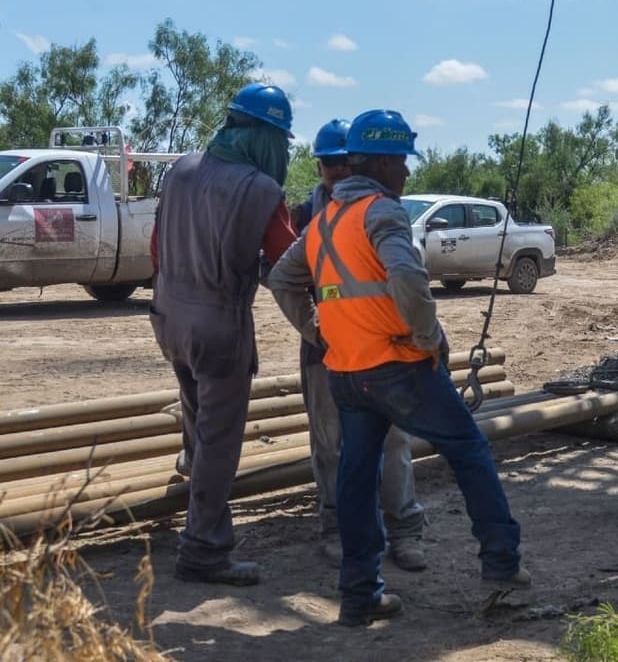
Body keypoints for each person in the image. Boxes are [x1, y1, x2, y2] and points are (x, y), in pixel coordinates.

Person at [267, 109, 529, 626]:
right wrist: (428, 337)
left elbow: (281, 278)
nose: (407, 173)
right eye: (403, 162)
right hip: (399, 366)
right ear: (383, 163)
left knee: (356, 476)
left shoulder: (322, 223)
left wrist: (317, 331)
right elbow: (408, 278)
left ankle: (360, 594)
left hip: (346, 372)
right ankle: (500, 560)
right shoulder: (381, 212)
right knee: (469, 449)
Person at [148, 82, 298, 587]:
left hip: (169, 319)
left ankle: (198, 518)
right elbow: (290, 263)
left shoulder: (181, 170)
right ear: (266, 137)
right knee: (218, 443)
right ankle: (204, 551)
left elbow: (156, 252)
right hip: (219, 330)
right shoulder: (260, 190)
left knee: (197, 430)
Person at [291, 118, 427, 571]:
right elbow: (281, 278)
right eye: (328, 164)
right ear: (319, 167)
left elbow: (405, 276)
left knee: (392, 443)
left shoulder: (377, 212)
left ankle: (404, 530)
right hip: (326, 354)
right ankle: (337, 530)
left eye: (342, 163)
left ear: (356, 161)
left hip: (383, 349)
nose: (336, 172)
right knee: (330, 447)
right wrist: (315, 330)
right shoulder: (303, 218)